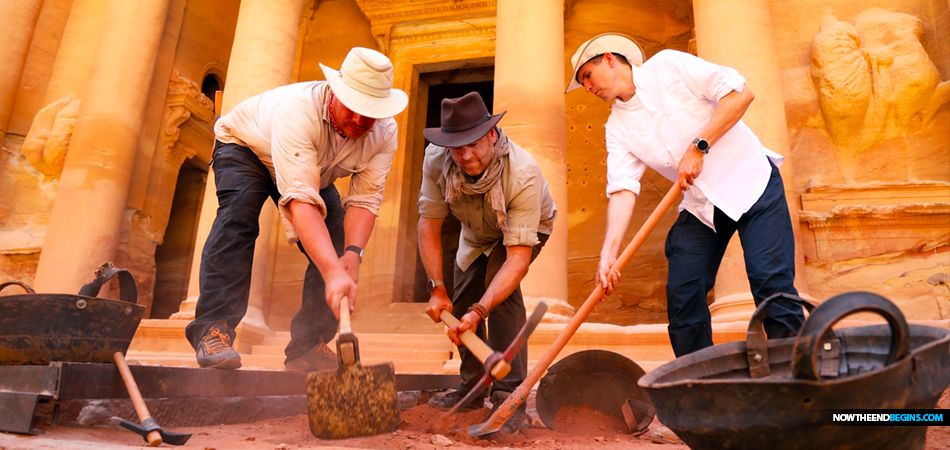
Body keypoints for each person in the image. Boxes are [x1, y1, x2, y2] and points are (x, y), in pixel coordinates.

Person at [567, 33, 806, 358]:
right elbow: (623, 189)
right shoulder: (616, 128)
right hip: (702, 207)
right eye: (582, 83)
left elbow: (740, 94)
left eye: (587, 76)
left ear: (609, 59)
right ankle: (699, 381)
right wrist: (608, 255)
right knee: (683, 291)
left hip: (753, 184)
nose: (587, 87)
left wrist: (699, 147)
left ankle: (795, 371)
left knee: (770, 280)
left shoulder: (668, 66)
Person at [184, 47, 408, 371]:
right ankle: (212, 330)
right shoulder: (298, 109)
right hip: (247, 148)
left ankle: (307, 347)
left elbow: (365, 200)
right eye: (354, 107)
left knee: (336, 241)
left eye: (370, 112)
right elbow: (301, 201)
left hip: (311, 168)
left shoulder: (385, 133)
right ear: (335, 91)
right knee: (239, 217)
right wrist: (332, 273)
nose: (360, 120)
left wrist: (352, 254)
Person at [418, 92, 557, 434]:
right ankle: (473, 388)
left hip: (523, 231)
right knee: (463, 296)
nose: (466, 156)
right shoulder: (435, 160)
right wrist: (437, 289)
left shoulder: (523, 171)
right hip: (474, 233)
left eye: (474, 144)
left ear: (492, 135)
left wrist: (481, 311)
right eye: (457, 148)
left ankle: (509, 397)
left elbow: (517, 259)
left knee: (500, 294)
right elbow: (429, 224)